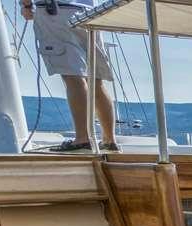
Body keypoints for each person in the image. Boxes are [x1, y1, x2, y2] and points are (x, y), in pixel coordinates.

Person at [19, 0, 118, 152]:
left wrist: (26, 5)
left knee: (73, 78)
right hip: (90, 12)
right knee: (95, 81)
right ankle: (109, 140)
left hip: (57, 12)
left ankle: (83, 138)